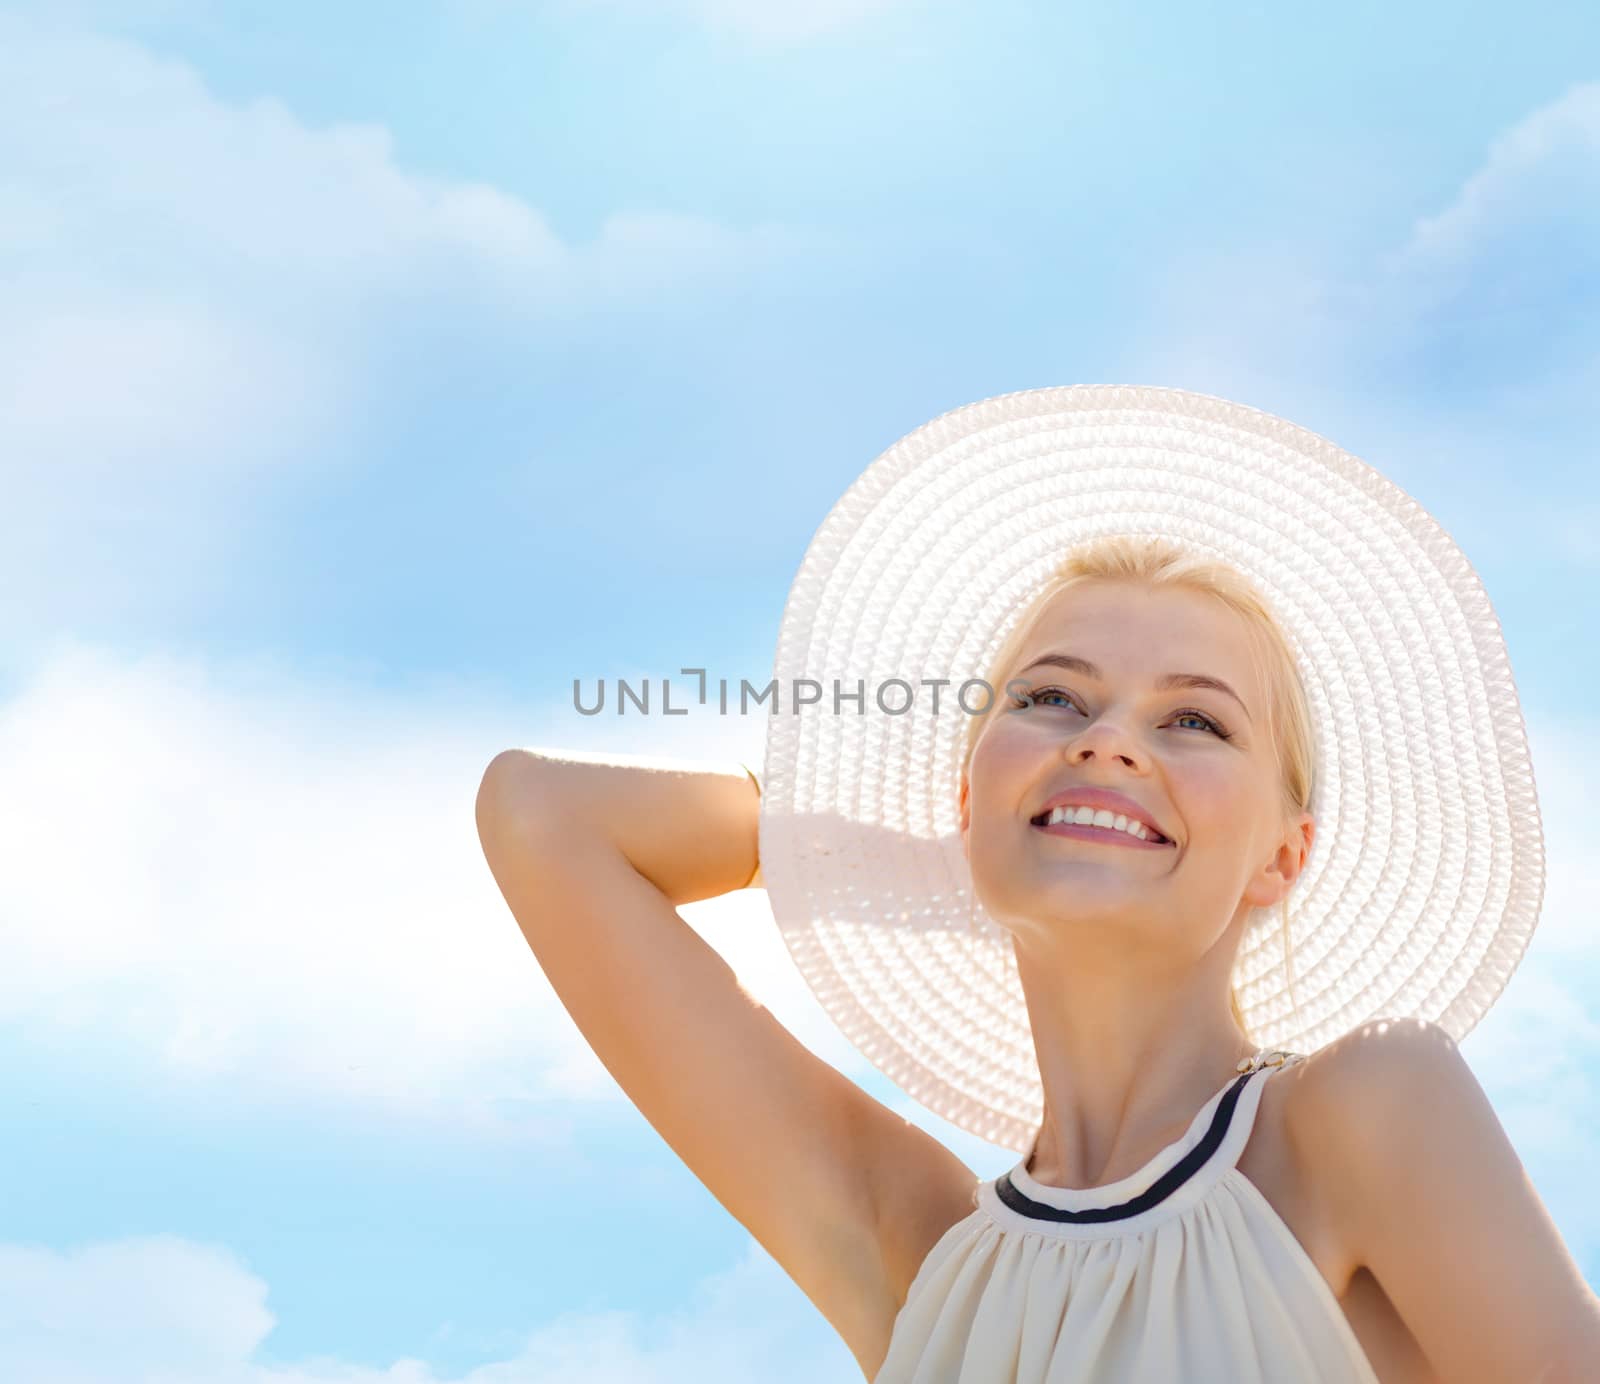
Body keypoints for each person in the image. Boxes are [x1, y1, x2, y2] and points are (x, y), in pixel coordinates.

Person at [474, 386, 1600, 1381]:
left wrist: (1056, 822)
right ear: (963, 793)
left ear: (1282, 856)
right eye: (1052, 700)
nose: (1108, 740)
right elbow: (543, 814)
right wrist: (962, 841)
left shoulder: (1363, 1111)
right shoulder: (917, 1251)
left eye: (1193, 719)